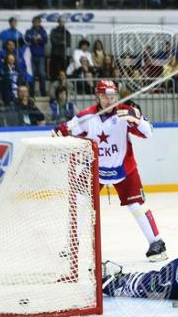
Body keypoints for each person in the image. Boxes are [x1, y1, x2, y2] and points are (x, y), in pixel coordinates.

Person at [54, 80, 167, 261]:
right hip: (95, 169)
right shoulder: (86, 118)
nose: (110, 100)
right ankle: (71, 245)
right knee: (81, 203)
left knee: (137, 205)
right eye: (106, 97)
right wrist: (58, 133)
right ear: (98, 96)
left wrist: (136, 119)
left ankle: (157, 243)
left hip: (124, 169)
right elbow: (66, 129)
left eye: (113, 97)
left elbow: (148, 133)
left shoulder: (125, 112)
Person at [24, 17, 48, 98]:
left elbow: (45, 40)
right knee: (32, 75)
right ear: (33, 23)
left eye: (38, 22)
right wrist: (34, 39)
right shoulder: (29, 31)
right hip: (31, 56)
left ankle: (43, 92)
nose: (37, 24)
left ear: (40, 22)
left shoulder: (43, 31)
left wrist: (38, 39)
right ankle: (31, 93)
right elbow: (27, 39)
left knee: (42, 74)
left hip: (41, 56)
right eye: (35, 22)